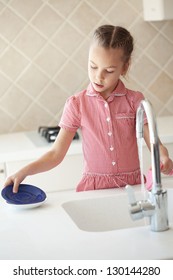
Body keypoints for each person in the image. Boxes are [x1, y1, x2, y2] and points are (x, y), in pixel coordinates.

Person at [4, 25, 173, 193]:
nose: (98, 76)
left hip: (134, 188)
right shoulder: (77, 104)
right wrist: (24, 171)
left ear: (124, 67)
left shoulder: (135, 101)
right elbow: (55, 154)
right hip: (94, 190)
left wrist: (163, 156)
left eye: (109, 70)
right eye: (93, 66)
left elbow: (155, 143)